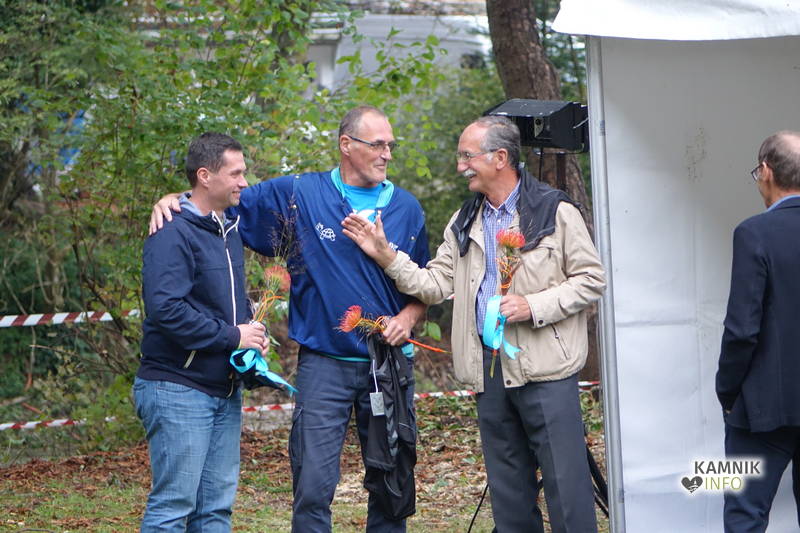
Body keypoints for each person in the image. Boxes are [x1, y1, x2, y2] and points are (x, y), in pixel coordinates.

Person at [149, 106, 430, 533]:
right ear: (346, 145)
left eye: (390, 145)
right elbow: (221, 198)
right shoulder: (299, 194)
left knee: (392, 486)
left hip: (387, 366)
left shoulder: (407, 208)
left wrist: (408, 318)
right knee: (313, 487)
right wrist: (175, 199)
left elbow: (426, 287)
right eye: (377, 144)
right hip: (324, 365)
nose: (387, 154)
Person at [342, 115, 606, 533]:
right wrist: (385, 254)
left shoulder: (554, 211)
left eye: (468, 156)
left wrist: (533, 305)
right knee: (509, 493)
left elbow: (592, 279)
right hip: (488, 371)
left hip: (546, 370)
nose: (460, 165)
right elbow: (433, 285)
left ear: (500, 158)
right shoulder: (464, 220)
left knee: (567, 489)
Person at [136, 132, 268, 532]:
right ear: (206, 176)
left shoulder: (230, 226)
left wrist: (250, 334)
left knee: (214, 510)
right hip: (177, 386)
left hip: (223, 388)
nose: (244, 182)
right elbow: (166, 310)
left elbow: (221, 304)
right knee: (173, 508)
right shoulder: (171, 231)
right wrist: (232, 337)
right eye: (236, 173)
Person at [716, 130, 800, 532]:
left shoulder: (753, 233)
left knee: (745, 517)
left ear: (765, 171)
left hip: (762, 408)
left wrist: (727, 391)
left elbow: (742, 330)